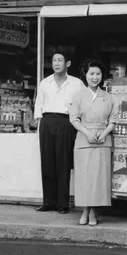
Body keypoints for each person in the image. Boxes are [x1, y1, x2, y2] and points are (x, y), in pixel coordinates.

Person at [34, 53, 84, 214]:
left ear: (67, 63)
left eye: (60, 60)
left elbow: (83, 104)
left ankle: (63, 203)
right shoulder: (45, 83)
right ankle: (48, 202)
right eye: (54, 60)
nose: (56, 63)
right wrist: (38, 125)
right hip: (47, 122)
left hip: (65, 122)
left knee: (63, 162)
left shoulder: (76, 83)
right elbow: (39, 105)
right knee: (47, 161)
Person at [70, 59, 117, 226]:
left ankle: (94, 212)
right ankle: (84, 210)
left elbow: (113, 119)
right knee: (85, 178)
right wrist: (87, 133)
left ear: (102, 76)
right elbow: (74, 119)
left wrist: (104, 133)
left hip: (102, 140)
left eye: (98, 74)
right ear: (85, 75)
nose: (95, 77)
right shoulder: (78, 96)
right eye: (91, 74)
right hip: (84, 139)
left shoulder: (109, 97)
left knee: (99, 178)